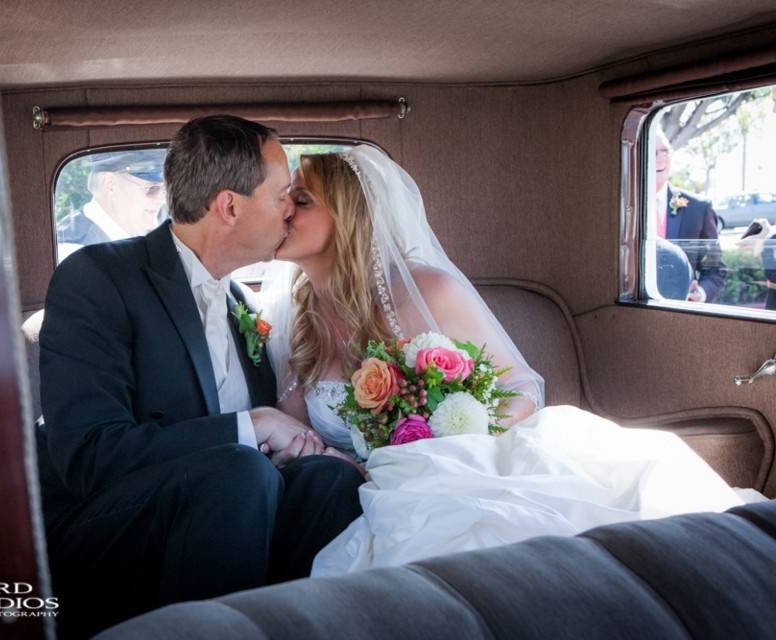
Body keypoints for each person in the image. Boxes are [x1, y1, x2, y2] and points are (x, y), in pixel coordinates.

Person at [261, 145, 757, 576]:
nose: (282, 213)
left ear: (349, 216)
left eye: (300, 201)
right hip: (372, 493)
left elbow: (521, 389)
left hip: (466, 469)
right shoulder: (293, 319)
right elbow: (301, 440)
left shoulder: (428, 290)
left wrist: (453, 437)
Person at [38, 115, 364, 638]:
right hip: (105, 530)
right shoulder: (99, 279)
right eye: (282, 193)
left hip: (221, 521)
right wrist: (252, 425)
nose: (291, 208)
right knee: (240, 471)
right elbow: (89, 457)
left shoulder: (240, 302)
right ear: (229, 207)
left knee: (330, 481)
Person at [651, 129, 726, 302]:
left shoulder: (698, 208)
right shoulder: (622, 203)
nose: (660, 158)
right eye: (653, 152)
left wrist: (701, 292)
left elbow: (716, 269)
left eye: (665, 151)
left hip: (680, 312)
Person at [55, 150, 168, 262]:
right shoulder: (74, 253)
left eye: (164, 189)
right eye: (151, 189)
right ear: (110, 185)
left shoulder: (145, 236)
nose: (162, 199)